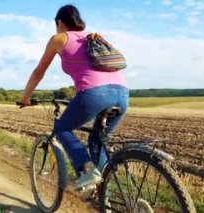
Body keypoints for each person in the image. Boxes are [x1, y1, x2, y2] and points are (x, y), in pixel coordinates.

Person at [18, 4, 129, 189]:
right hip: (123, 94)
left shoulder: (59, 38)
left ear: (59, 22)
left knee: (62, 128)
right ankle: (104, 199)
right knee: (97, 141)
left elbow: (39, 71)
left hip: (94, 94)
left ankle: (87, 170)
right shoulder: (93, 37)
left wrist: (25, 97)